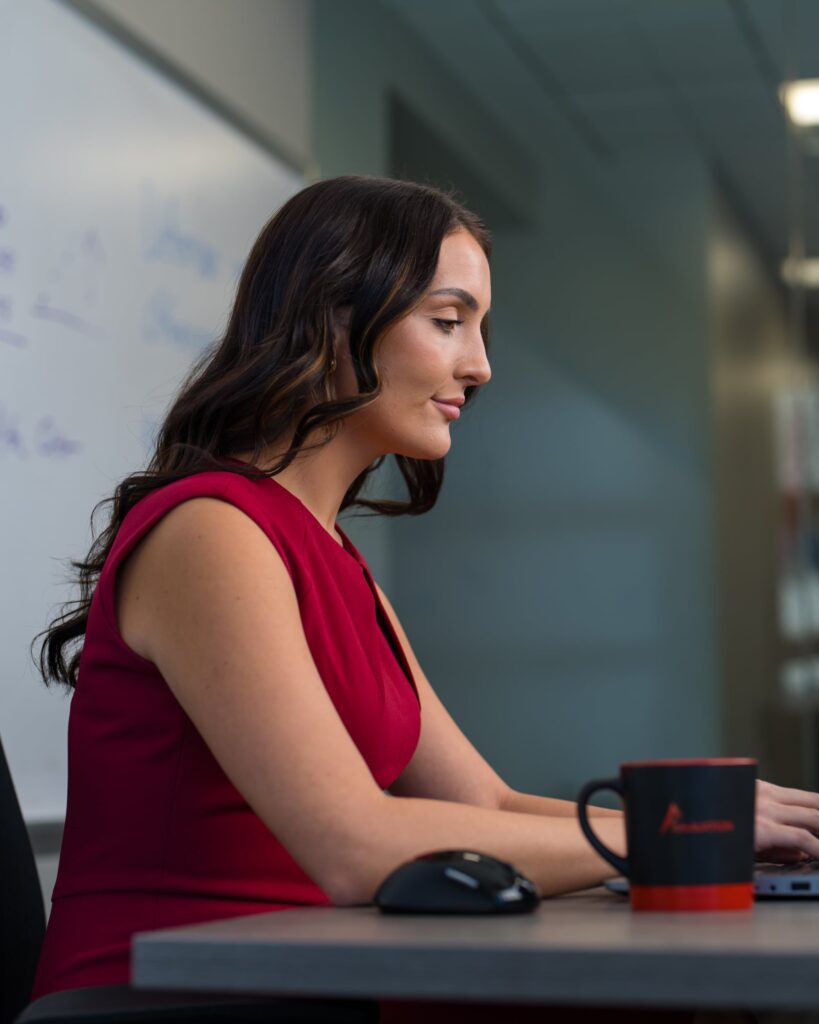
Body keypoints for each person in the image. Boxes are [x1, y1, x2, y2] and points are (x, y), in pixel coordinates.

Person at [29, 174, 819, 1024]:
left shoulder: (331, 554)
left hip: (318, 979)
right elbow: (355, 847)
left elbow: (483, 805)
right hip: (178, 997)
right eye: (447, 322)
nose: (478, 366)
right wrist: (669, 838)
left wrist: (706, 823)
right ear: (331, 320)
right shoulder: (209, 532)